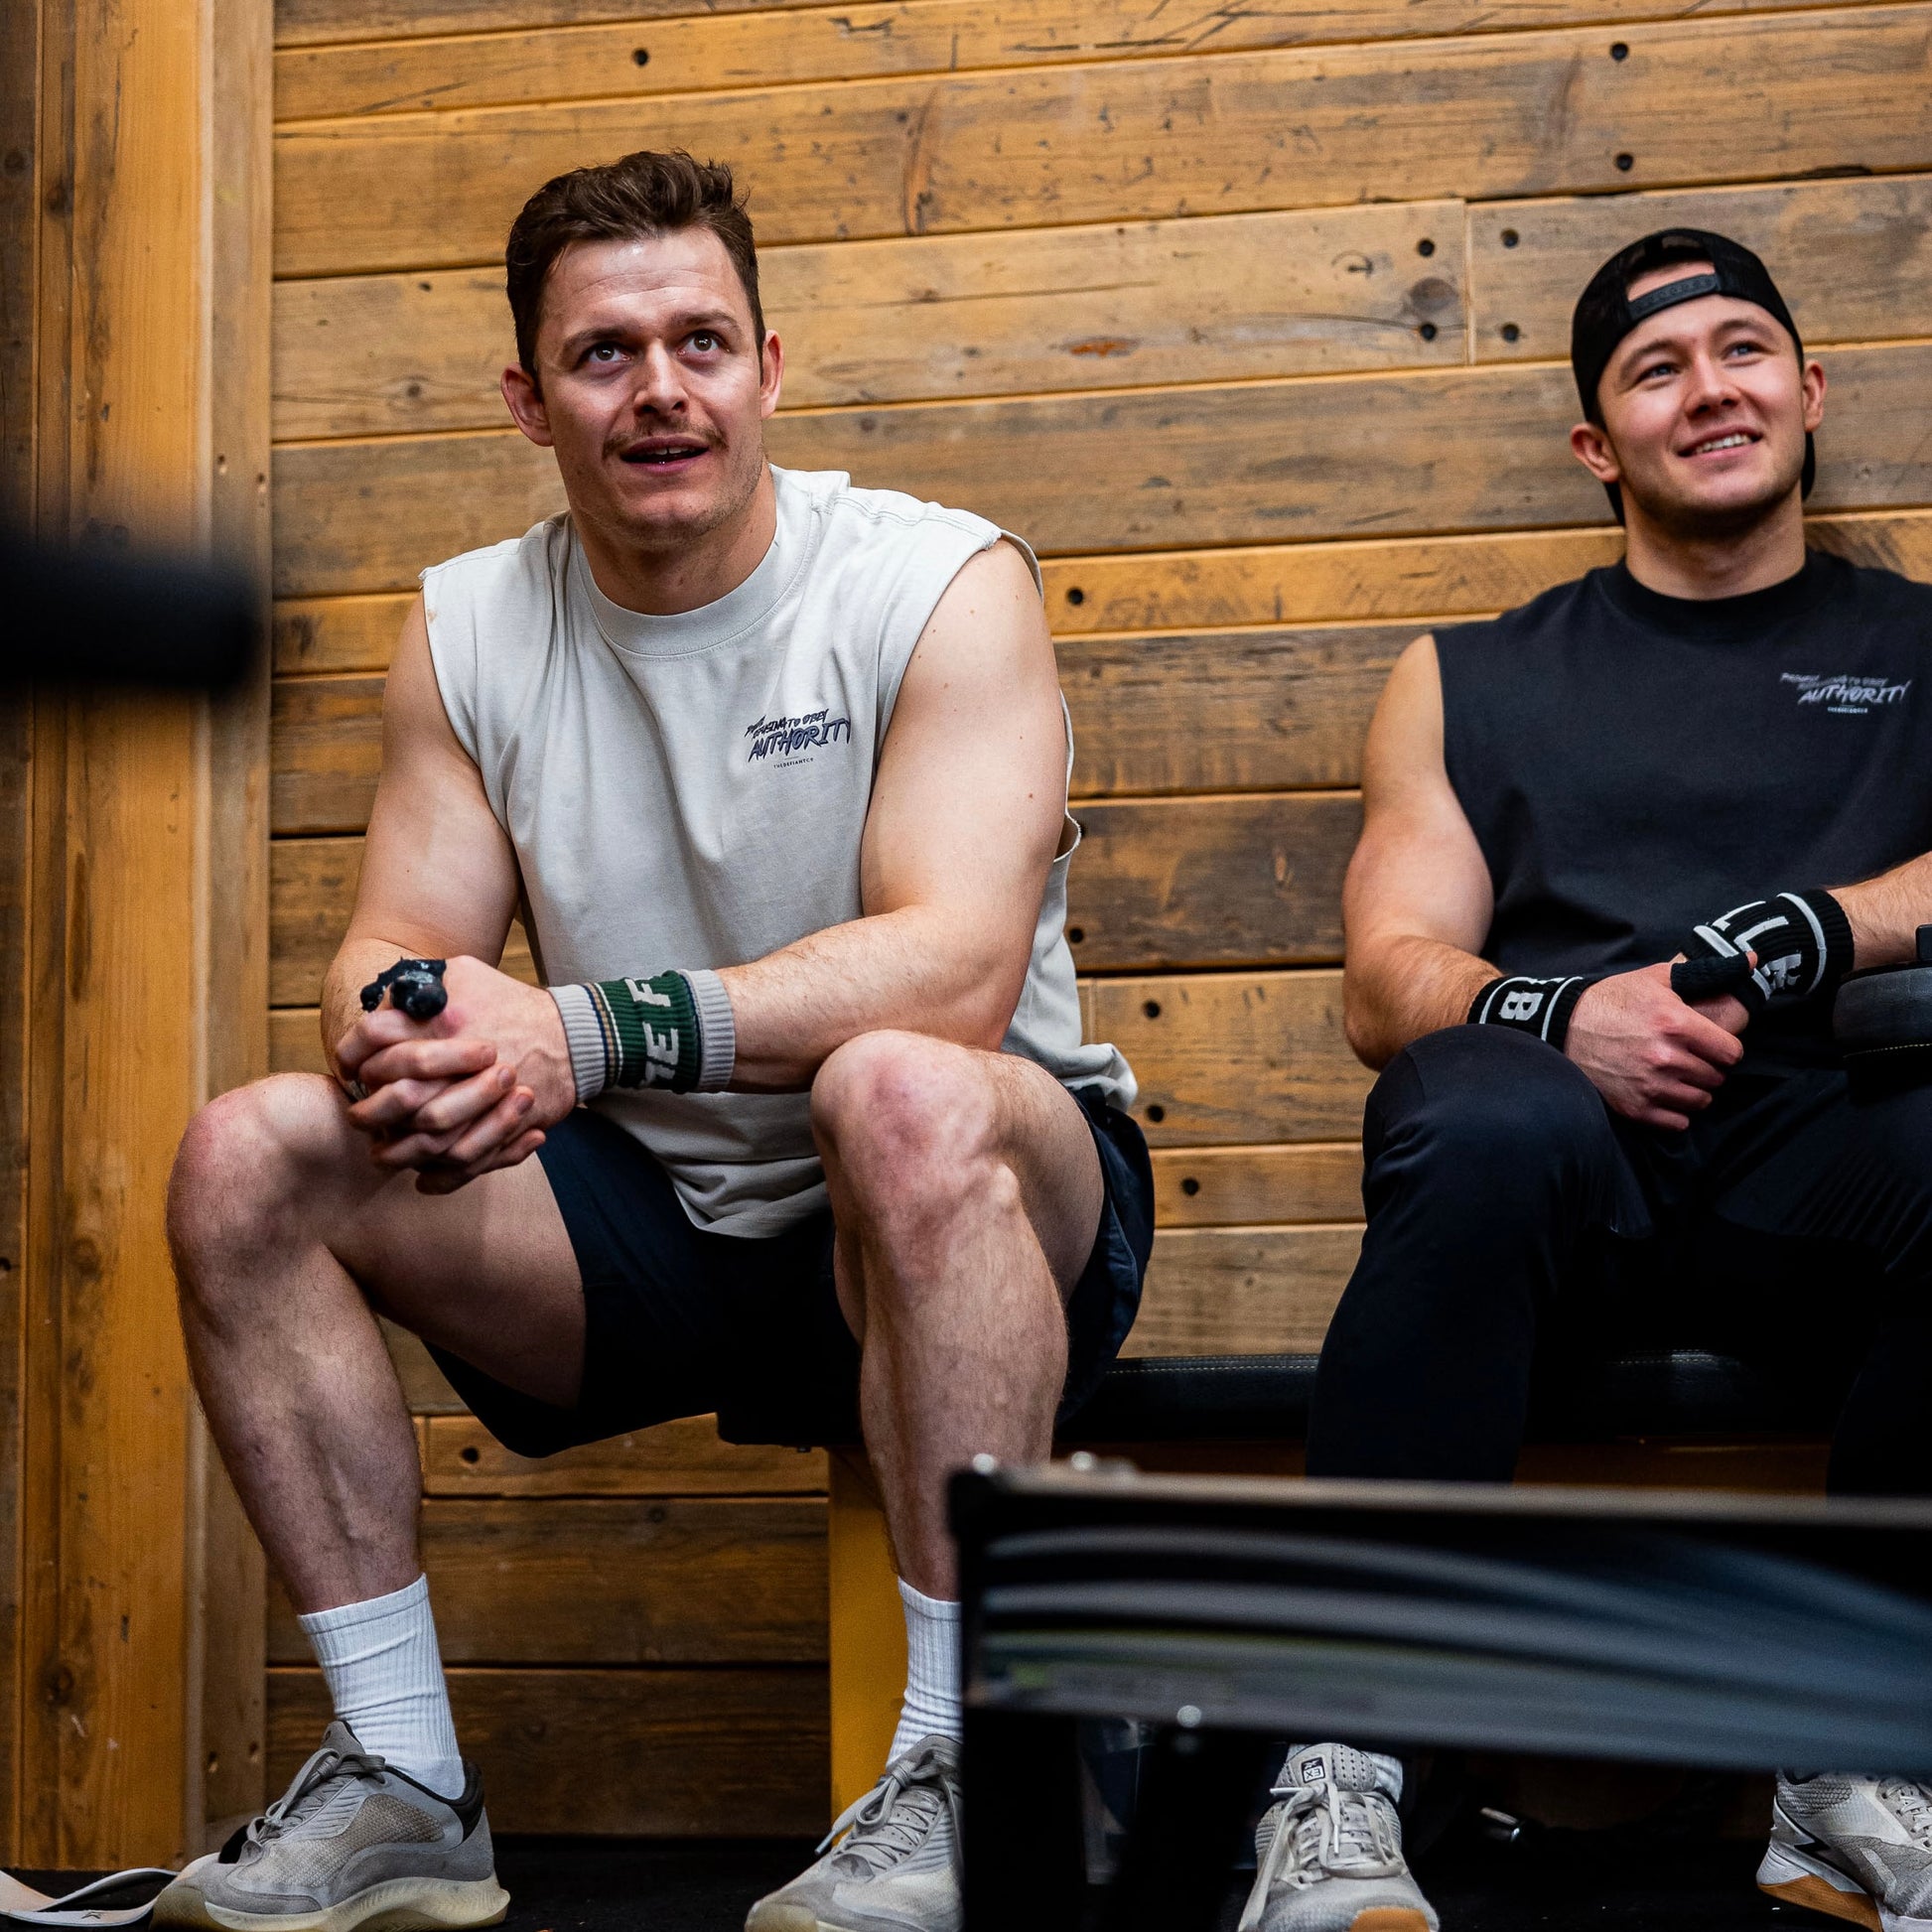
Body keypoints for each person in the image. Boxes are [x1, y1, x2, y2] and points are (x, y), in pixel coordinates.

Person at [161, 148, 1151, 1932]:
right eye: (606, 354)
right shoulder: (469, 622)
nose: (661, 389)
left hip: (986, 1185)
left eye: (700, 340)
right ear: (529, 401)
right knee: (251, 1154)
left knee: (897, 1086)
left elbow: (953, 977)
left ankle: (955, 1773)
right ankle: (403, 1779)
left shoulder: (935, 582)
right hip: (658, 1220)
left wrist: (580, 1028)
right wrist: (404, 1024)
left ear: (771, 364)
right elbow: (395, 944)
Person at [1236, 229, 1932, 1932]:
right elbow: (1384, 975)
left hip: (1819, 1149)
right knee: (1471, 1105)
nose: (1711, 390)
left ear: (1809, 388)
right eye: (1655, 369)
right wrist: (1565, 1017)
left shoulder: (1918, 642)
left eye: (1743, 350)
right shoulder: (1469, 676)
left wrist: (1815, 925)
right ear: (1593, 444)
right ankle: (1340, 1769)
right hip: (1555, 1169)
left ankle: (1851, 1761)